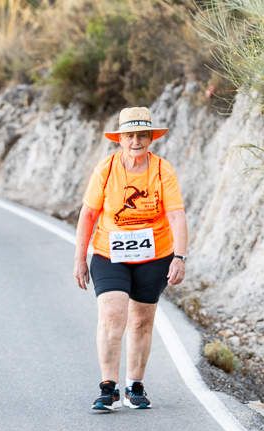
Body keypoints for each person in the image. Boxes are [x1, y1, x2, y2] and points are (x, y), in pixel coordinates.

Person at [73, 106, 188, 412]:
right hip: (110, 254)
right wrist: (80, 258)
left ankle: (134, 385)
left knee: (140, 321)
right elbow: (88, 214)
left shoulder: (163, 170)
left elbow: (176, 214)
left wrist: (180, 256)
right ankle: (107, 386)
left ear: (150, 138)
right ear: (119, 139)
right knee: (113, 315)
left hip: (155, 255)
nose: (136, 141)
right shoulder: (106, 169)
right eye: (129, 135)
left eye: (141, 135)